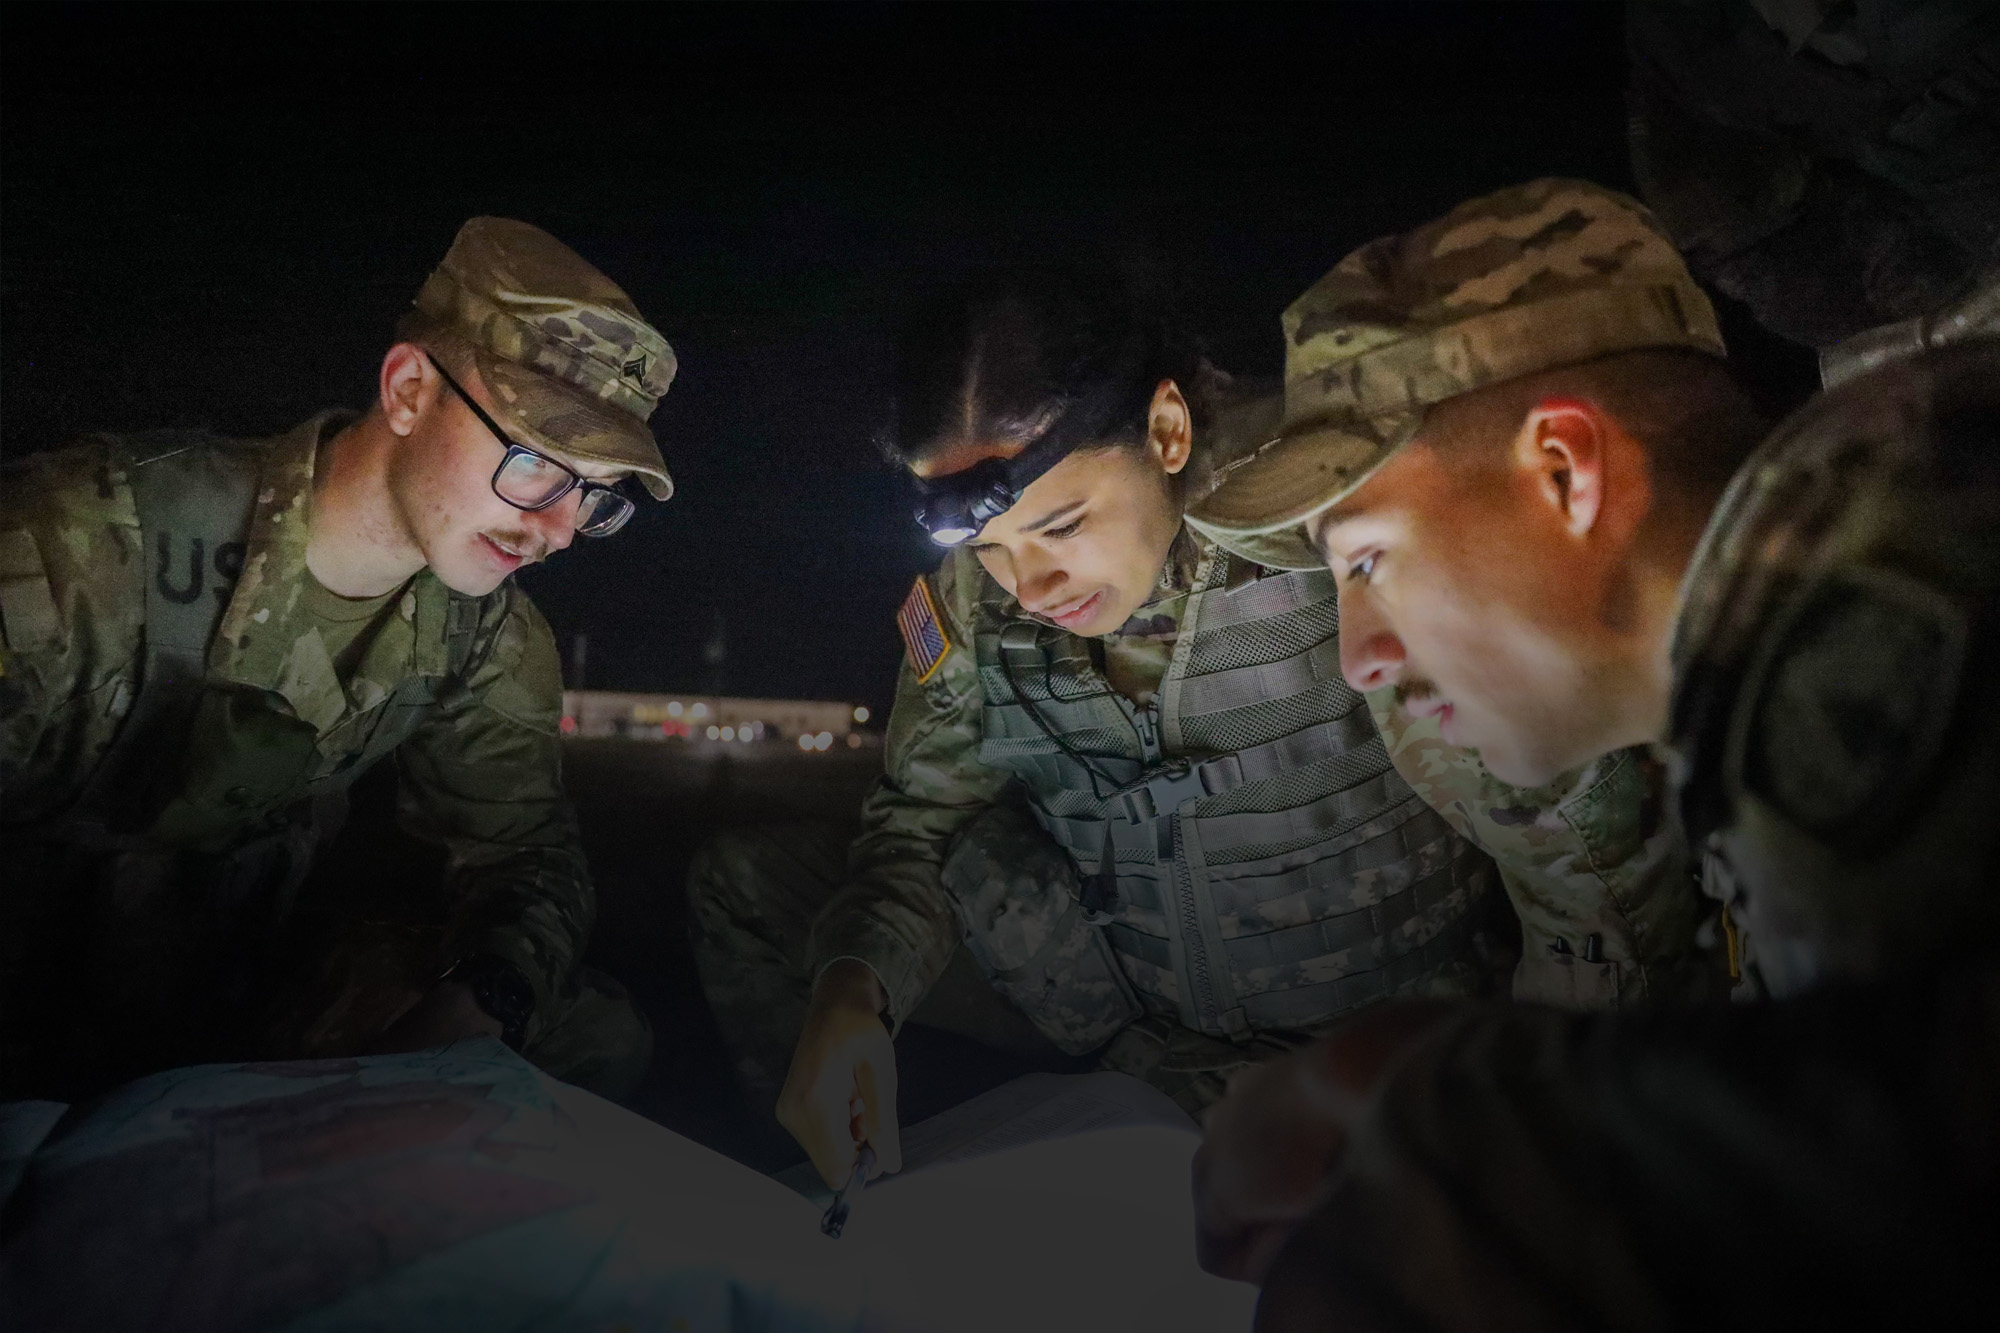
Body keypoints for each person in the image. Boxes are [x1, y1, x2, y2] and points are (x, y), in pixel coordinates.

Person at [1184, 178, 2000, 1325]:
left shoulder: (1881, 562)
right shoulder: (1793, 598)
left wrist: (1458, 1139)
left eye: (1364, 562)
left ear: (1563, 469)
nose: (1358, 656)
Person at [688, 270, 1507, 1190]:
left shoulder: (1326, 513)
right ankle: (834, 1179)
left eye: (1063, 525)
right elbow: (925, 820)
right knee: (746, 887)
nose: (1029, 586)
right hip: (1127, 1022)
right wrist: (855, 986)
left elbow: (1551, 778)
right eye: (990, 550)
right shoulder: (970, 602)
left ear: (1166, 431)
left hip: (1387, 1040)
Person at [0, 217, 672, 1102]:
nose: (556, 529)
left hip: (239, 985)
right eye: (534, 461)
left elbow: (523, 853)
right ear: (407, 391)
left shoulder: (484, 631)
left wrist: (481, 1000)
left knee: (588, 1033)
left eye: (593, 497)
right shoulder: (80, 546)